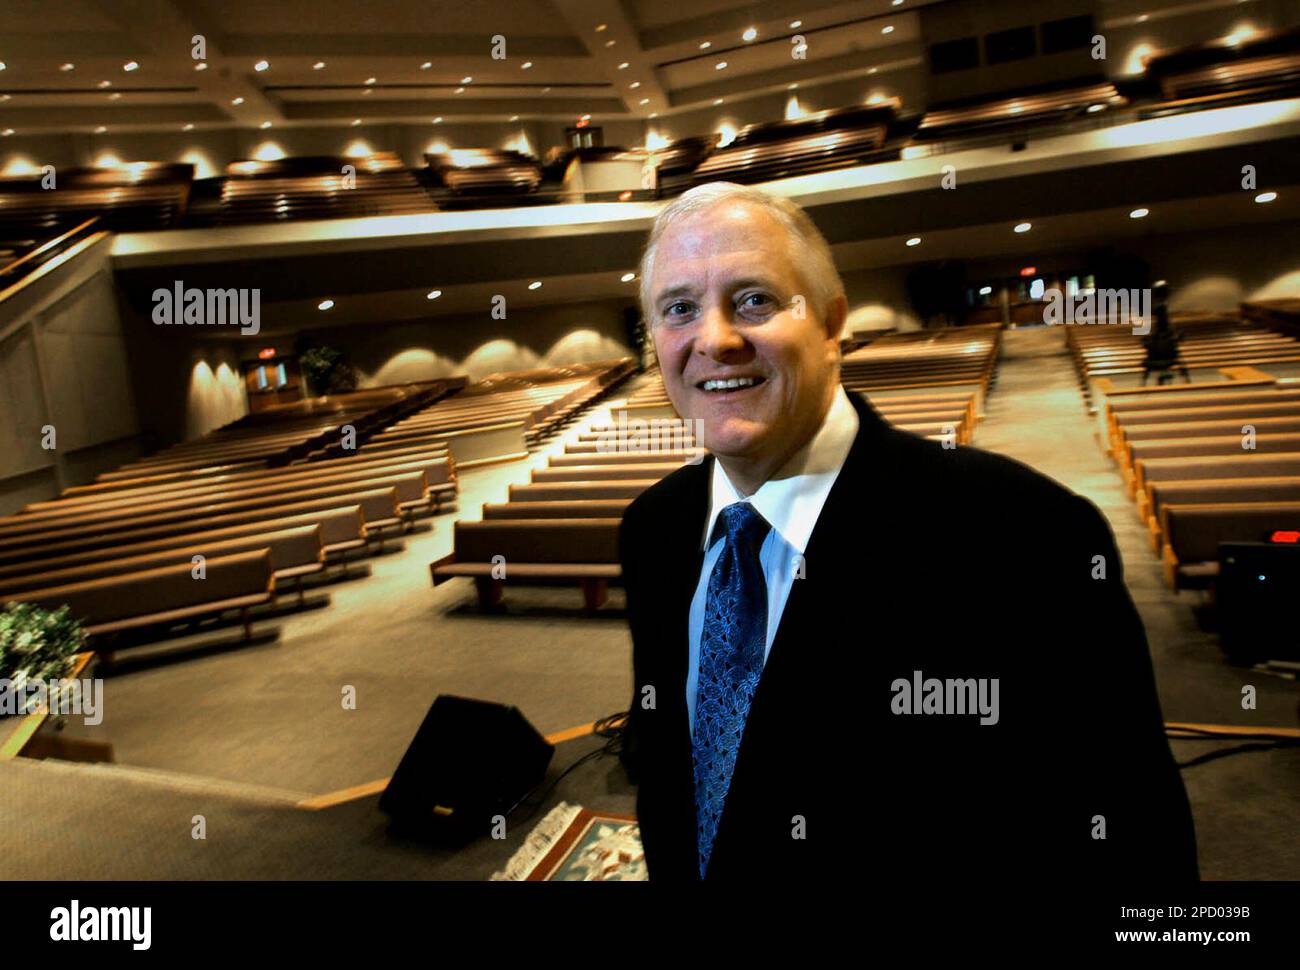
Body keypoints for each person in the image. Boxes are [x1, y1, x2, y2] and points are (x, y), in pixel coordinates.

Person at [618, 181, 1198, 883]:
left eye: (754, 300)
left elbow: (1133, 842)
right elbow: (671, 761)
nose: (715, 339)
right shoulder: (653, 529)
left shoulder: (1030, 538)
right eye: (679, 309)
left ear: (831, 324)